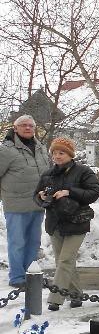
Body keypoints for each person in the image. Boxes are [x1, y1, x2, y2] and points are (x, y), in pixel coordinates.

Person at [35, 137, 99, 311]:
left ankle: (55, 299)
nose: (57, 156)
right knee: (63, 262)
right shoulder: (48, 174)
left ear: (70, 154)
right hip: (55, 223)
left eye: (61, 153)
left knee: (64, 261)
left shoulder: (83, 171)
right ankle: (76, 295)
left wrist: (69, 192)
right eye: (54, 153)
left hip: (76, 222)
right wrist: (41, 197)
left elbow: (93, 192)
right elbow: (36, 196)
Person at [0, 115, 49, 288]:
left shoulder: (41, 148)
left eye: (31, 126)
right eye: (23, 125)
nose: (28, 128)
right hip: (16, 205)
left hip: (37, 204)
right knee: (17, 242)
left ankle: (31, 274)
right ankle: (17, 277)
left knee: (34, 242)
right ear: (15, 128)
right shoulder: (6, 150)